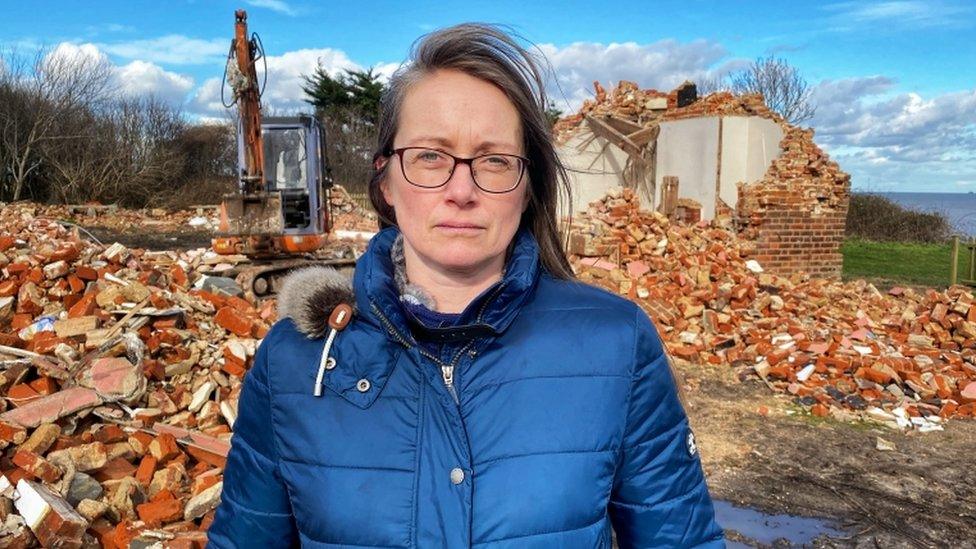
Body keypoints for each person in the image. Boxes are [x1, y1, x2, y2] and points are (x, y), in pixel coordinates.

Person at [208, 23, 724, 548]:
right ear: (385, 181)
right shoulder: (296, 364)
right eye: (431, 155)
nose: (461, 190)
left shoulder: (617, 344)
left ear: (527, 188)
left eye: (494, 160)